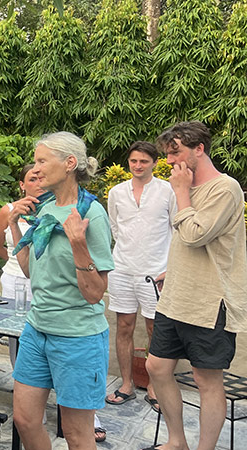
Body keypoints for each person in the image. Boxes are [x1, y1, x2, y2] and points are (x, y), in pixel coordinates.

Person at [144, 121, 247, 450]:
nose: (171, 161)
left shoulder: (224, 188)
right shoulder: (186, 190)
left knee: (206, 379)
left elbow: (194, 232)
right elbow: (186, 244)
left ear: (199, 149)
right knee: (156, 367)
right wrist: (170, 271)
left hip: (209, 302)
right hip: (176, 297)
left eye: (176, 153)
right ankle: (177, 442)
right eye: (168, 155)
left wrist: (180, 192)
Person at [8, 132, 114, 450]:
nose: (36, 169)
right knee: (25, 420)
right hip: (37, 329)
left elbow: (95, 293)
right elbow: (29, 270)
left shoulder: (91, 214)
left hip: (78, 337)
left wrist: (79, 244)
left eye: (42, 161)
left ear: (69, 164)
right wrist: (14, 225)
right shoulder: (44, 209)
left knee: (77, 434)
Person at [105, 141, 176, 412]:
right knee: (123, 326)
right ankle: (126, 384)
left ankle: (156, 387)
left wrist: (170, 268)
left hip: (156, 271)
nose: (138, 166)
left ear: (155, 163)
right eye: (134, 161)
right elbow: (115, 228)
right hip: (122, 268)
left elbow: (177, 228)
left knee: (155, 329)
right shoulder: (116, 192)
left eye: (144, 161)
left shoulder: (167, 191)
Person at [0, 163, 44, 300]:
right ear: (22, 185)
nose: (38, 184)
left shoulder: (53, 211)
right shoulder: (8, 211)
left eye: (42, 179)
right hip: (13, 279)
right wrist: (18, 260)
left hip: (44, 280)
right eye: (32, 180)